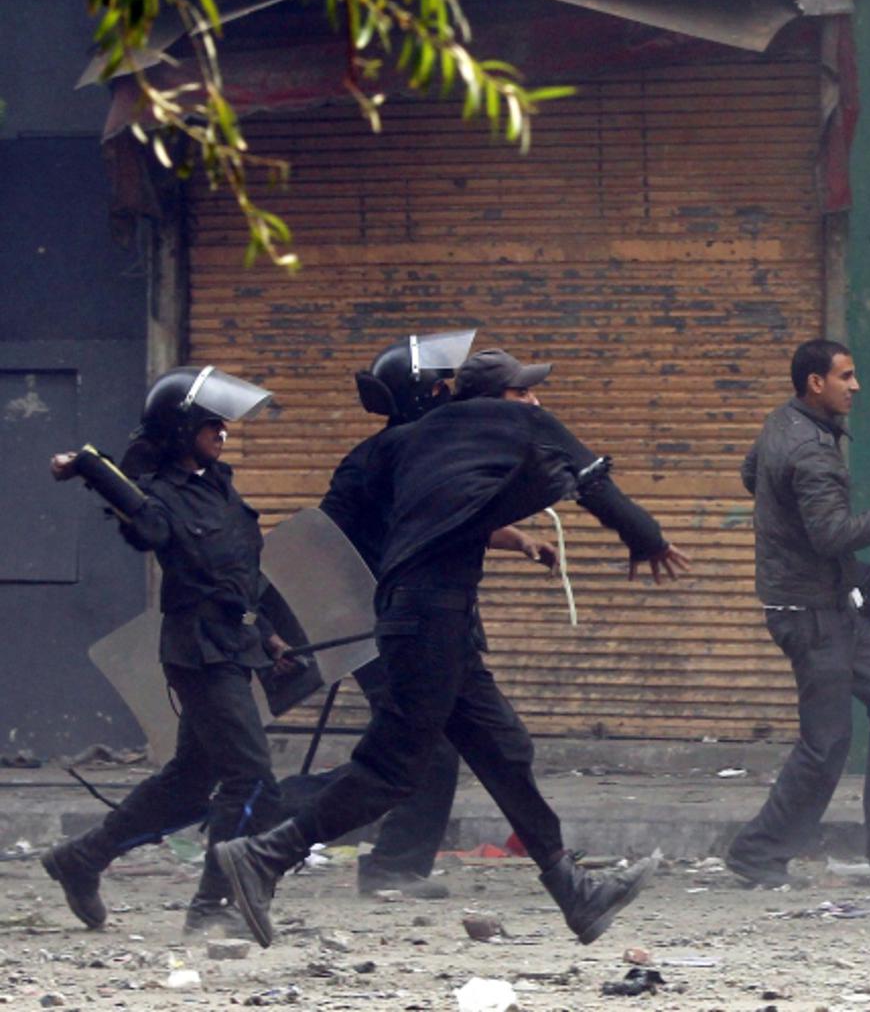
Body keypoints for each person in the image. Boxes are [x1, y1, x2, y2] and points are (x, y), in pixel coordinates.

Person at [213, 349, 690, 949]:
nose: (534, 401)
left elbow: (401, 512)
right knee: (393, 770)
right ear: (494, 400)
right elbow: (592, 481)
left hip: (430, 620)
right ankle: (264, 856)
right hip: (427, 621)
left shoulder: (405, 444)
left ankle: (573, 890)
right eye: (522, 392)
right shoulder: (515, 424)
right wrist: (647, 537)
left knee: (505, 748)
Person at [43, 366, 291, 937]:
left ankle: (80, 859)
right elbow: (146, 528)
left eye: (224, 424)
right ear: (180, 430)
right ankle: (212, 907)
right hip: (199, 653)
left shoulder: (218, 485)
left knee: (189, 783)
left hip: (234, 644)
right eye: (210, 425)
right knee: (252, 779)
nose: (223, 432)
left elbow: (237, 573)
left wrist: (270, 633)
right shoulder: (160, 496)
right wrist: (91, 467)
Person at [310, 332, 556, 900]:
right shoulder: (386, 457)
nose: (454, 393)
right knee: (418, 749)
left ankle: (390, 864)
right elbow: (325, 542)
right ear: (427, 394)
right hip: (390, 626)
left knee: (461, 746)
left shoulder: (429, 449)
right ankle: (276, 817)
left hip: (426, 625)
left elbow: (453, 516)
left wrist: (518, 540)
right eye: (445, 385)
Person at [724, 338, 870, 888]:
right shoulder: (811, 450)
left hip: (829, 604)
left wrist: (783, 520)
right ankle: (756, 852)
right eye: (846, 376)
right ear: (816, 383)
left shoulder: (782, 423)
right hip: (809, 612)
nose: (855, 386)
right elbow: (831, 534)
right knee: (828, 741)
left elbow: (751, 474)